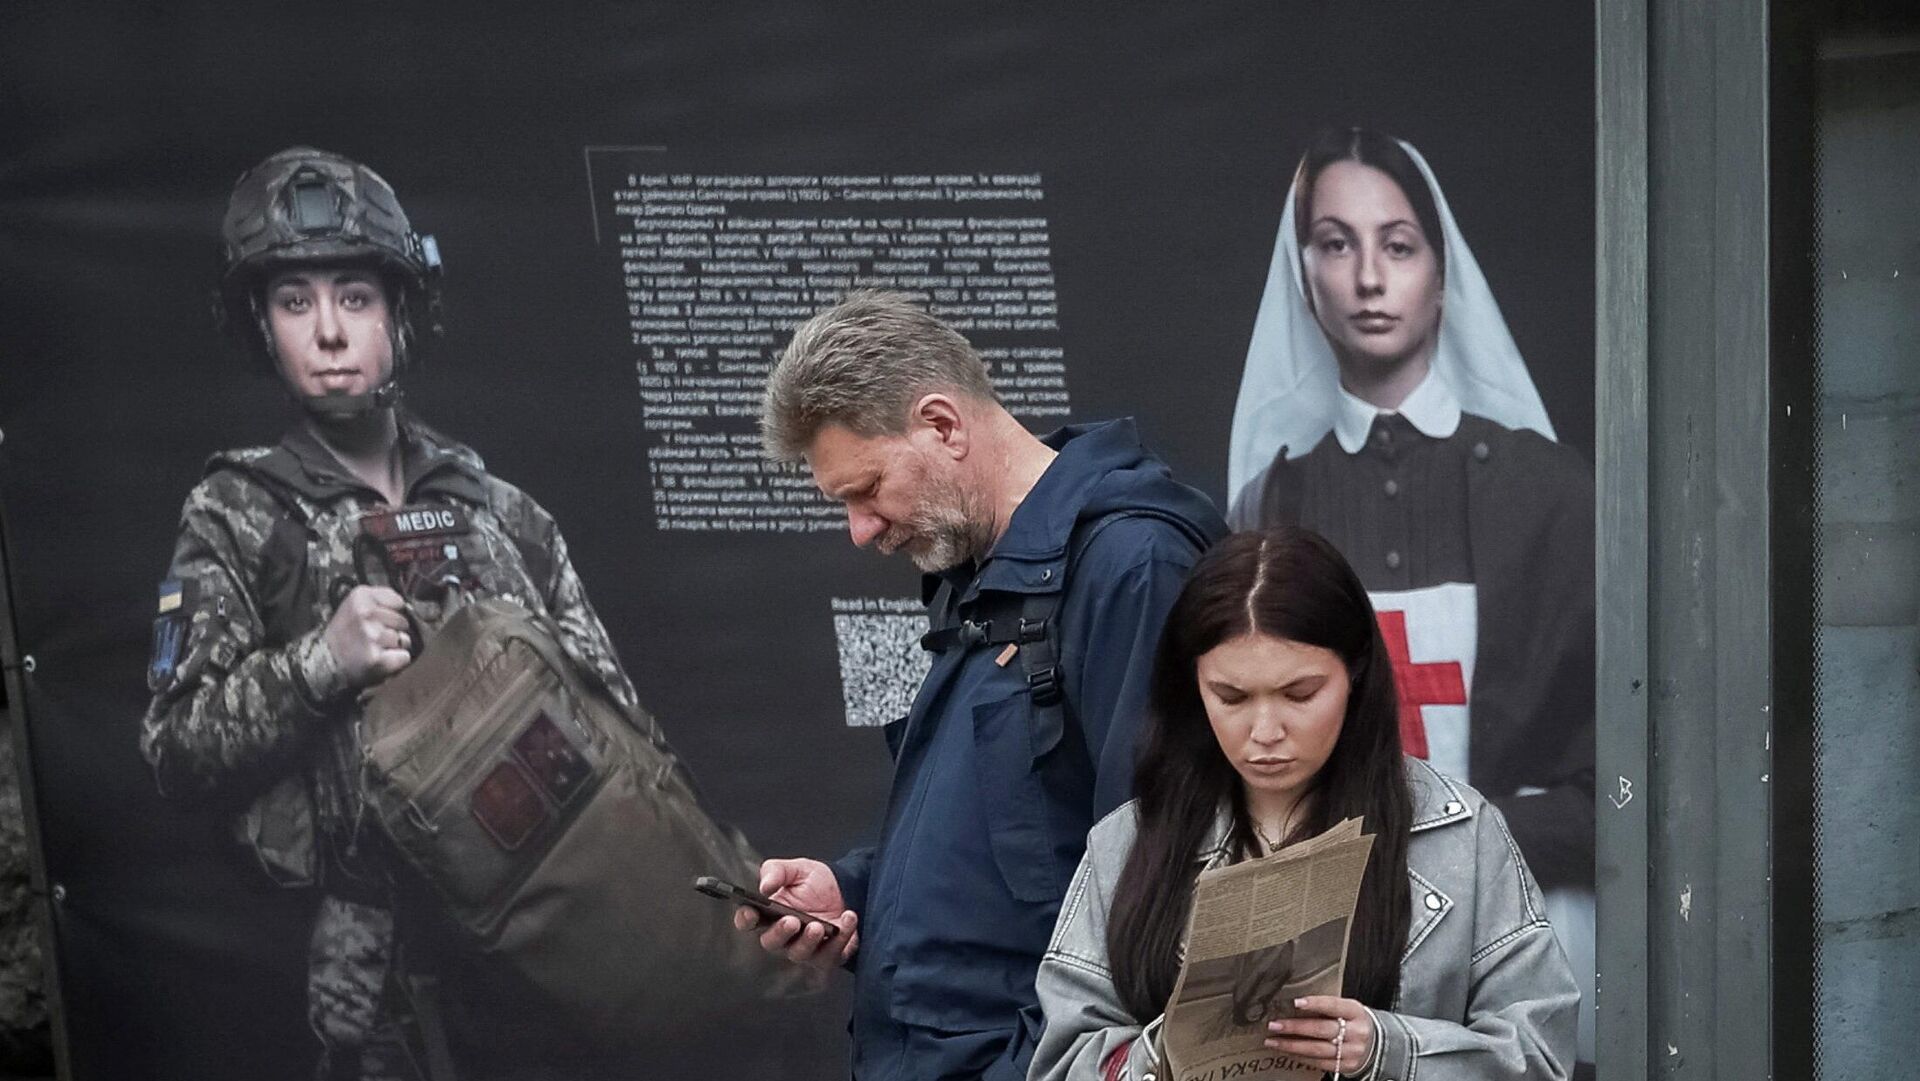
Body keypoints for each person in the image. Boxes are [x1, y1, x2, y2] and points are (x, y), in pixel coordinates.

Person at [139, 147, 758, 1080]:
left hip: (558, 948)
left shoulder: (501, 509)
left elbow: (625, 727)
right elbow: (174, 748)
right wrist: (318, 663)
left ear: (399, 312)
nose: (330, 332)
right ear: (261, 327)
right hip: (378, 977)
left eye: (354, 296)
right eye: (294, 302)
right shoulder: (238, 513)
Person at [740, 291, 1228, 1080]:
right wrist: (850, 888)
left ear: (942, 424)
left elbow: (1161, 875)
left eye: (865, 490)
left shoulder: (1133, 566)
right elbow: (1018, 831)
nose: (860, 529)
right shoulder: (978, 576)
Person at [1225, 128, 1596, 1061]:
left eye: (1398, 244)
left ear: (1441, 267)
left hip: (1528, 930)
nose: (1368, 278)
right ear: (1301, 271)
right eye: (1335, 243)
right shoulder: (1273, 503)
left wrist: (1456, 841)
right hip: (1336, 956)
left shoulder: (1549, 491)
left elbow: (1617, 775)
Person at [1028, 527, 1579, 1081]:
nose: (1266, 731)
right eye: (1232, 697)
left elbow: (1539, 1053)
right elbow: (1062, 1061)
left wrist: (1387, 1050)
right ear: (1192, 686)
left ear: (1355, 674)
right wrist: (1165, 1051)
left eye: (1300, 695)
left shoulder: (1457, 833)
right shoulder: (1129, 842)